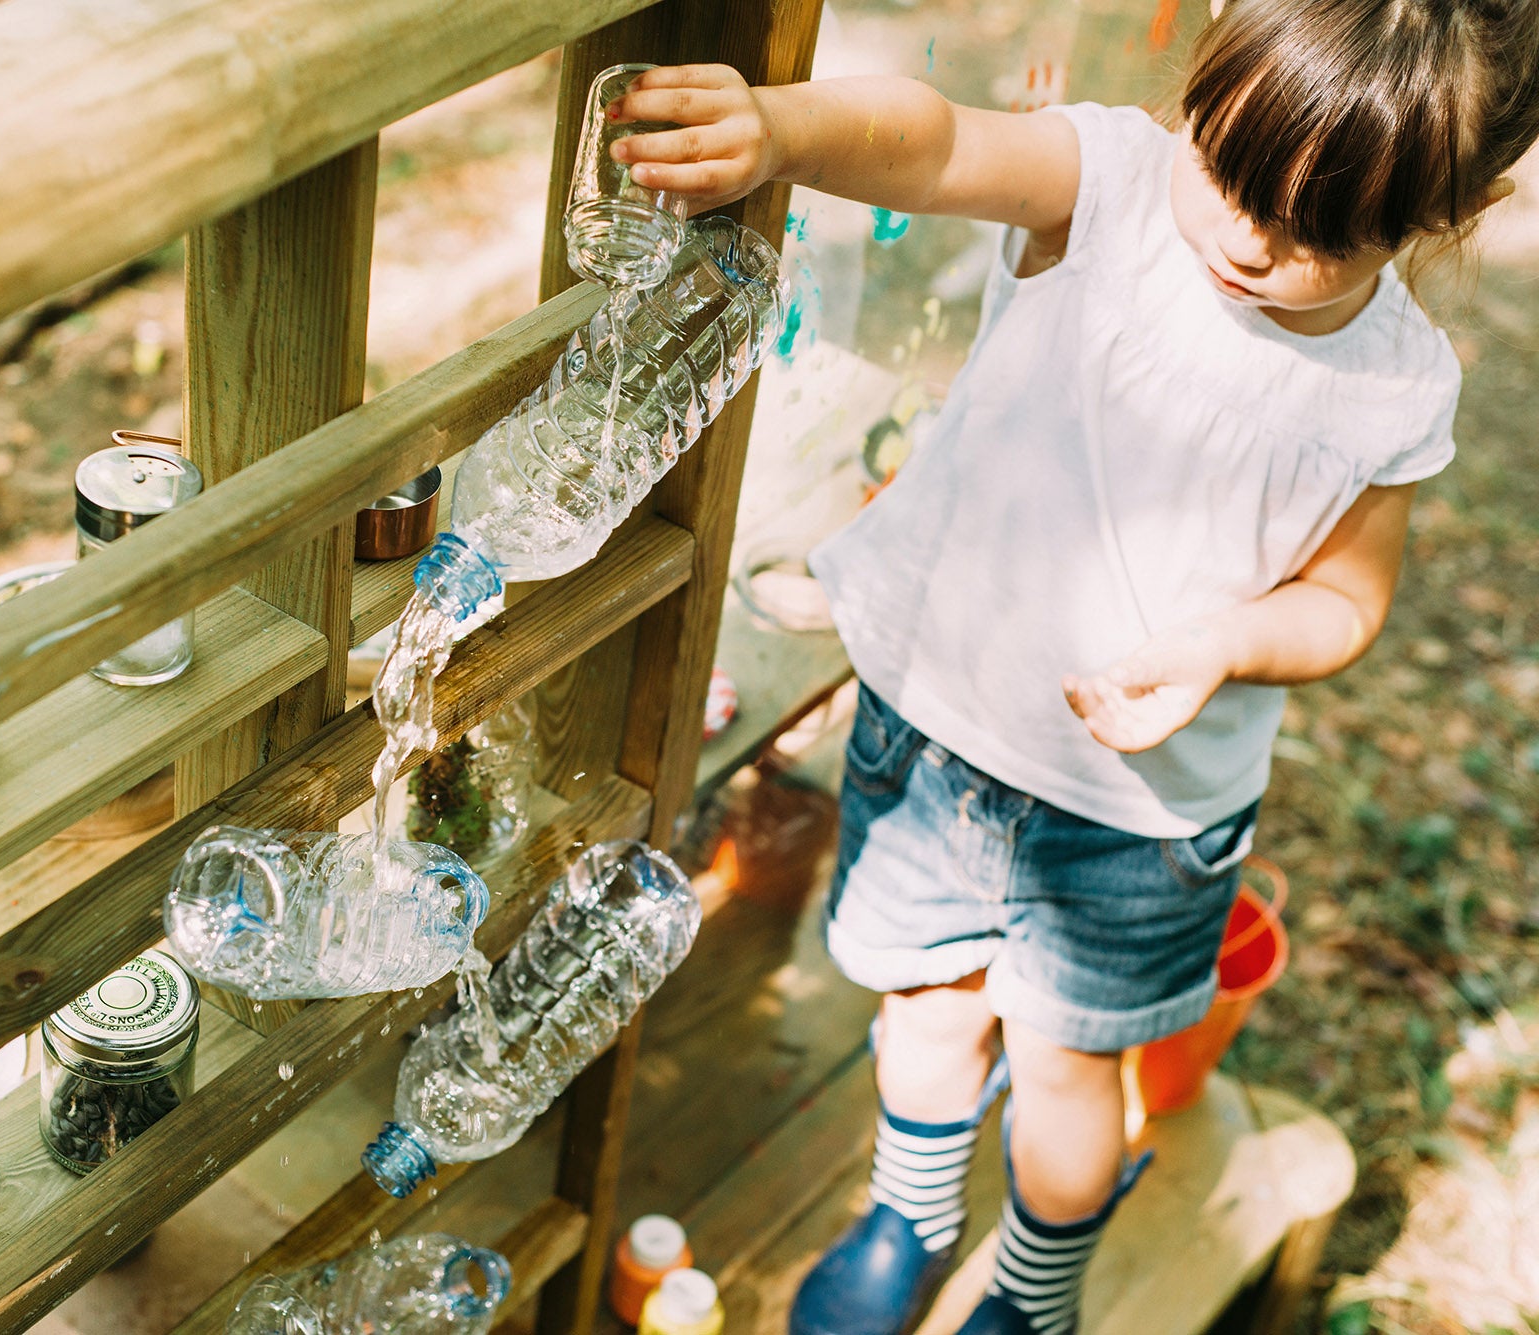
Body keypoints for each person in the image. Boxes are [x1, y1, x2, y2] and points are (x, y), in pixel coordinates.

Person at [610, 1, 1539, 1331]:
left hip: (1139, 822)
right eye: (1225, 168)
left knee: (1063, 1082)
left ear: (1454, 209)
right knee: (925, 1019)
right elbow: (929, 145)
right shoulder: (1104, 189)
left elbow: (1346, 599)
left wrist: (1226, 643)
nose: (1247, 239)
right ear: (1209, 57)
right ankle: (911, 1215)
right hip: (937, 725)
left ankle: (1038, 1289)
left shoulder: (1394, 387)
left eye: (1320, 231)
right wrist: (776, 130)